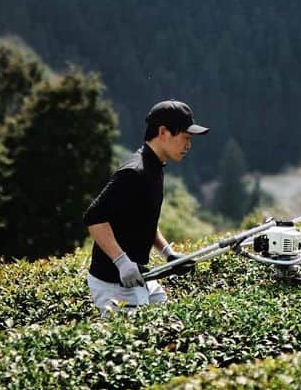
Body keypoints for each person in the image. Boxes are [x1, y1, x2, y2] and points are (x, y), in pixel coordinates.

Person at [84, 99, 209, 313]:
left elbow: (144, 221)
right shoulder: (134, 172)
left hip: (140, 279)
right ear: (163, 132)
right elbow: (94, 218)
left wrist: (168, 254)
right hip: (115, 285)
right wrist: (121, 261)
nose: (189, 145)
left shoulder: (155, 167)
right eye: (185, 137)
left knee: (167, 322)